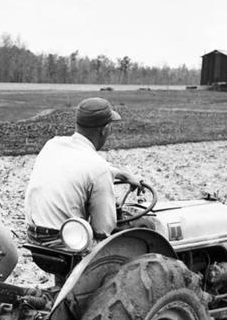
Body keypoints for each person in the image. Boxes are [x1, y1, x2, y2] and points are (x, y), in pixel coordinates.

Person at [24, 97, 142, 247]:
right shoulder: (98, 168)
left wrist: (122, 174)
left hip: (34, 239)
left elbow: (79, 166)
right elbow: (103, 229)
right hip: (65, 244)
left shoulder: (53, 144)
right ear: (105, 130)